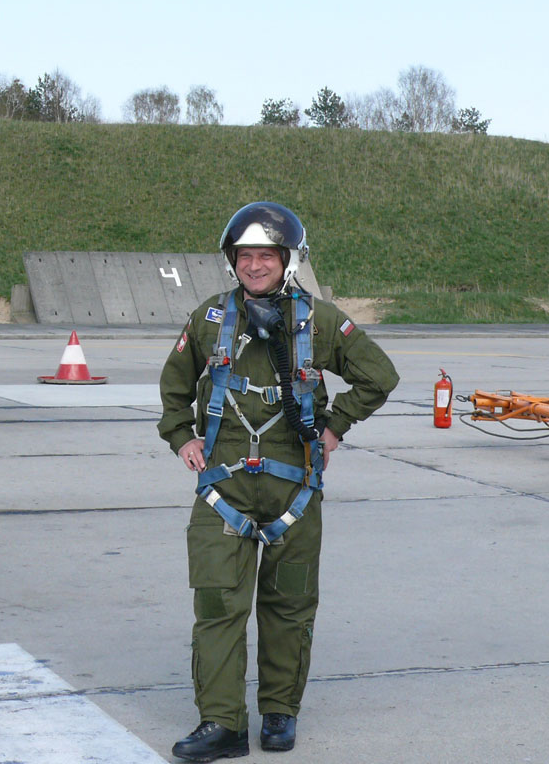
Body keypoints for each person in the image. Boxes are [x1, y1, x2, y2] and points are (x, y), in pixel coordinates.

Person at [158, 202, 399, 761]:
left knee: (289, 607)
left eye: (266, 254)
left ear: (287, 259)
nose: (254, 265)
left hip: (295, 487)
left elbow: (379, 376)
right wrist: (181, 437)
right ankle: (222, 723)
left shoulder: (319, 321)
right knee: (217, 606)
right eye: (245, 255)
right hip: (222, 489)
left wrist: (335, 427)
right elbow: (174, 386)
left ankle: (278, 714)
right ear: (232, 260)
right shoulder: (210, 318)